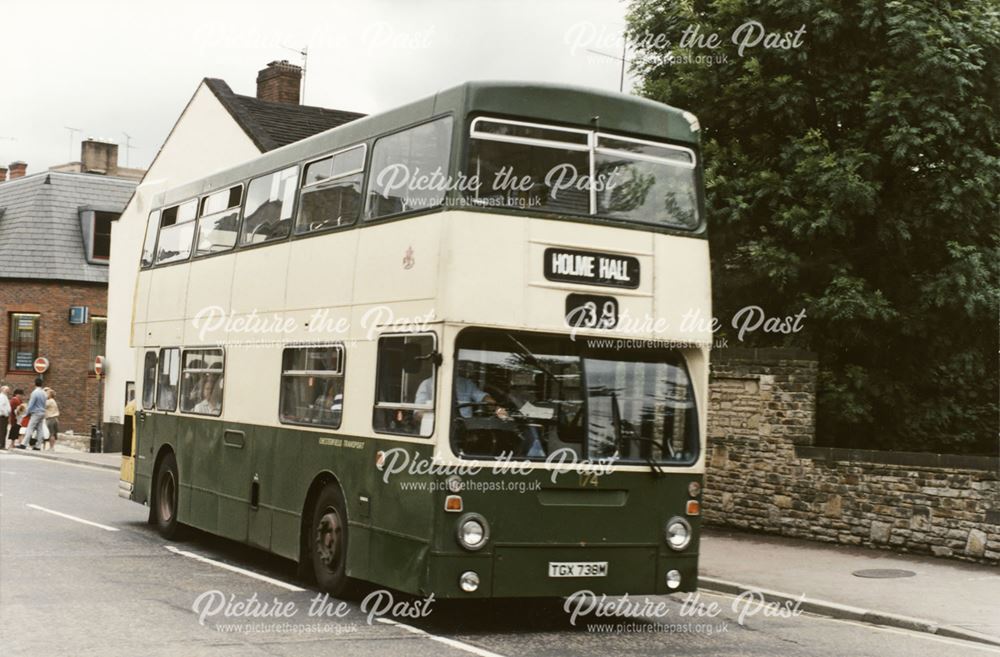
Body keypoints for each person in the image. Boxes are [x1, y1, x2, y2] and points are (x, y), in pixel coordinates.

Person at [22, 377, 48, 450]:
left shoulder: (35, 392)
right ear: (41, 384)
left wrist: (26, 413)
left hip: (36, 412)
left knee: (30, 428)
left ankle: (24, 444)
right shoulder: (44, 393)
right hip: (42, 412)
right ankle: (38, 446)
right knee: (40, 429)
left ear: (35, 383)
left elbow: (31, 404)